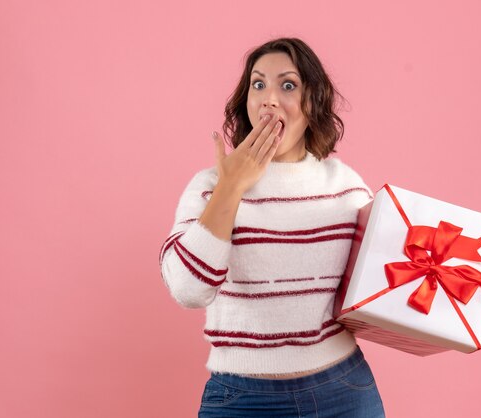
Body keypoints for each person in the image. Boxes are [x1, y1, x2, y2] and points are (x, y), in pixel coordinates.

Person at [159, 37, 386, 417]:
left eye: (288, 85)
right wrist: (231, 188)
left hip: (343, 392)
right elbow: (188, 290)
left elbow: (371, 294)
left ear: (312, 101)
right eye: (258, 84)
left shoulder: (347, 187)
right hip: (242, 399)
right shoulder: (209, 185)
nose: (269, 98)